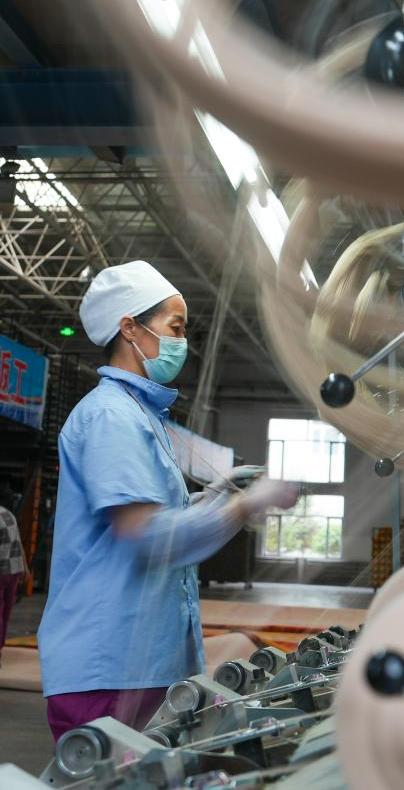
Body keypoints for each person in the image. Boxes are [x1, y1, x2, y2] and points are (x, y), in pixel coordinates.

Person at [38, 261, 298, 740]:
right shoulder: (111, 417)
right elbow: (149, 536)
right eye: (175, 328)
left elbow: (159, 517)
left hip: (142, 664)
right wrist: (242, 507)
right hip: (110, 666)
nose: (182, 342)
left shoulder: (141, 416)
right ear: (129, 328)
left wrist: (219, 494)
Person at [0, 501, 27, 664]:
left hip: (1, 570)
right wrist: (25, 566)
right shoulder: (8, 514)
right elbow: (18, 541)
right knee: (5, 613)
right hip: (14, 570)